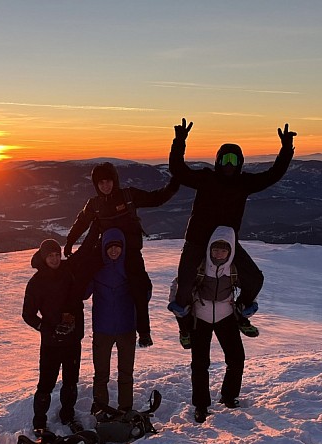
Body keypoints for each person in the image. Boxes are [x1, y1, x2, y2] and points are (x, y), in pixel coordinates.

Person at [167, 118, 296, 338]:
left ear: (240, 163)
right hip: (197, 240)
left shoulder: (243, 183)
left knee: (254, 279)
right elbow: (178, 170)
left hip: (227, 243)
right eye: (225, 158)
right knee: (185, 285)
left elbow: (273, 175)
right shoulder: (206, 178)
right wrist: (179, 141)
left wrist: (286, 149)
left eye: (234, 159)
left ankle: (240, 313)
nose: (229, 163)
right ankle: (185, 326)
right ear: (217, 160)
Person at [65, 161, 179, 347]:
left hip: (130, 251)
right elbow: (82, 222)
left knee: (138, 287)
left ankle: (144, 332)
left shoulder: (128, 196)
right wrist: (70, 241)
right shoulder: (94, 204)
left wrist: (173, 186)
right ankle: (68, 317)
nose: (105, 186)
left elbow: (155, 199)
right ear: (96, 185)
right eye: (101, 183)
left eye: (108, 181)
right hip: (104, 250)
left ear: (114, 180)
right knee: (81, 277)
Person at [178, 226, 246, 424]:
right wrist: (177, 305)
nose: (218, 254)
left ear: (230, 251)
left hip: (226, 316)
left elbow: (249, 286)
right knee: (200, 364)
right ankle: (201, 405)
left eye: (223, 250)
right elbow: (180, 283)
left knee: (236, 358)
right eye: (215, 250)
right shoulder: (199, 266)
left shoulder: (234, 269)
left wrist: (248, 304)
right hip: (200, 317)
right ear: (209, 249)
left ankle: (229, 396)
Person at [22, 239, 85, 436]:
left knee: (71, 381)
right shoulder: (36, 282)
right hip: (51, 343)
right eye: (50, 256)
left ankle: (68, 415)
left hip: (72, 339)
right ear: (43, 257)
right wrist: (47, 329)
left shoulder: (70, 272)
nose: (55, 259)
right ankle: (39, 422)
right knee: (46, 384)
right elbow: (28, 314)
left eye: (57, 254)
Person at [84, 228, 137, 414]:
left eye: (117, 247)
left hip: (127, 327)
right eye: (110, 247)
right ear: (104, 248)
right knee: (101, 374)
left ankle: (126, 408)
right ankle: (101, 408)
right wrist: (82, 272)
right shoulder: (96, 269)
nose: (114, 251)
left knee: (126, 374)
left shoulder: (131, 268)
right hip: (102, 328)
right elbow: (84, 293)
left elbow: (144, 293)